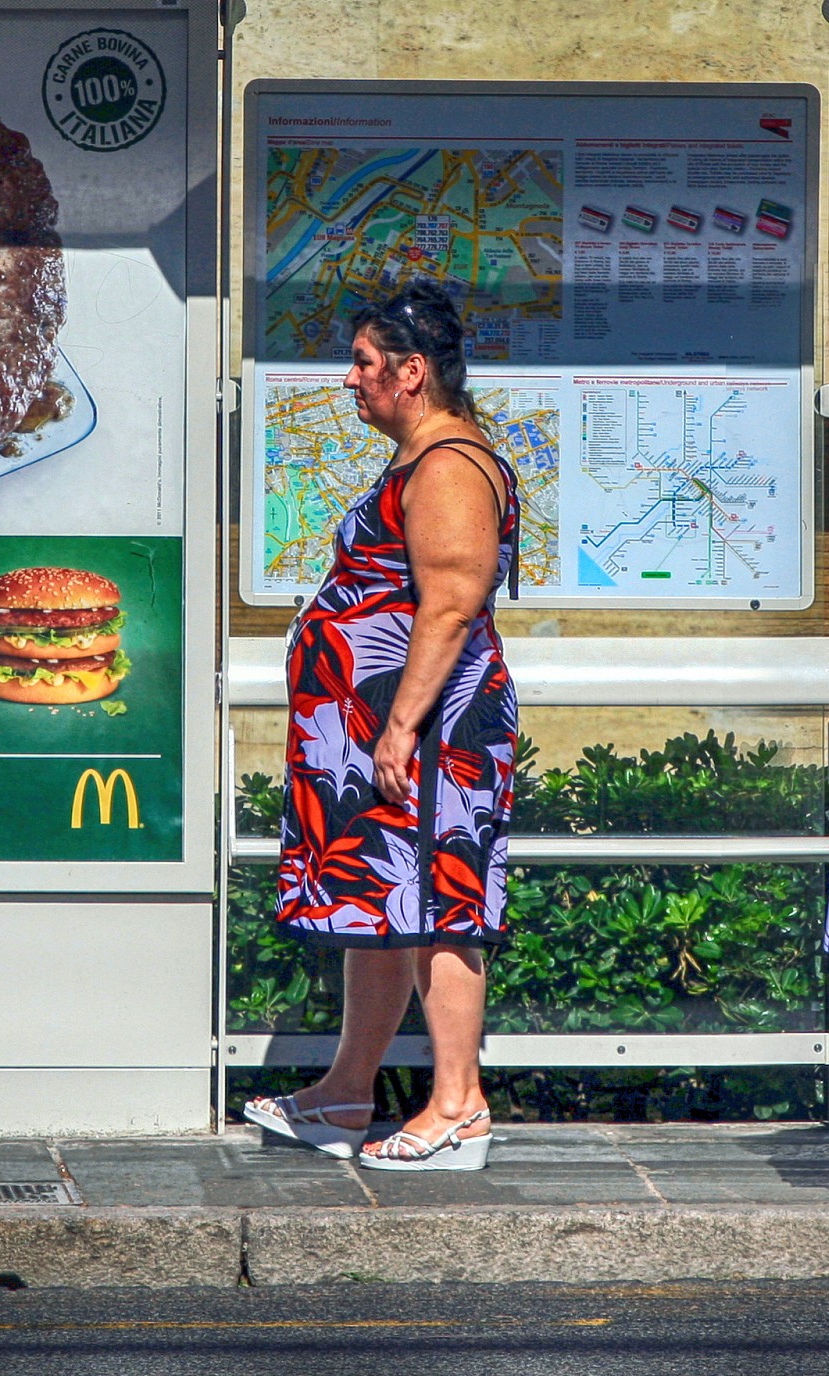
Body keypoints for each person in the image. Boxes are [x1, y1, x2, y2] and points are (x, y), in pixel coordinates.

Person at [243, 280, 521, 1173]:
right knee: (382, 904)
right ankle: (345, 1092)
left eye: (363, 363)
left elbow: (450, 604)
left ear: (411, 372)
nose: (350, 379)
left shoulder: (448, 465)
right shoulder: (417, 459)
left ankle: (458, 1106)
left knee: (441, 908)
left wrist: (399, 726)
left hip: (433, 734)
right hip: (384, 732)